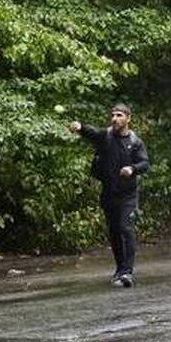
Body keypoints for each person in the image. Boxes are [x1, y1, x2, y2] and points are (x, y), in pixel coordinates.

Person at [69, 104, 149, 287]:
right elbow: (92, 132)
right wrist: (80, 128)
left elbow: (145, 163)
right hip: (109, 193)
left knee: (126, 228)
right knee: (114, 232)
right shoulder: (105, 137)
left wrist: (132, 168)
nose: (114, 118)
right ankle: (120, 269)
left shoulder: (135, 142)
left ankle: (127, 273)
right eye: (112, 115)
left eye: (119, 115)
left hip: (128, 194)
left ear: (128, 118)